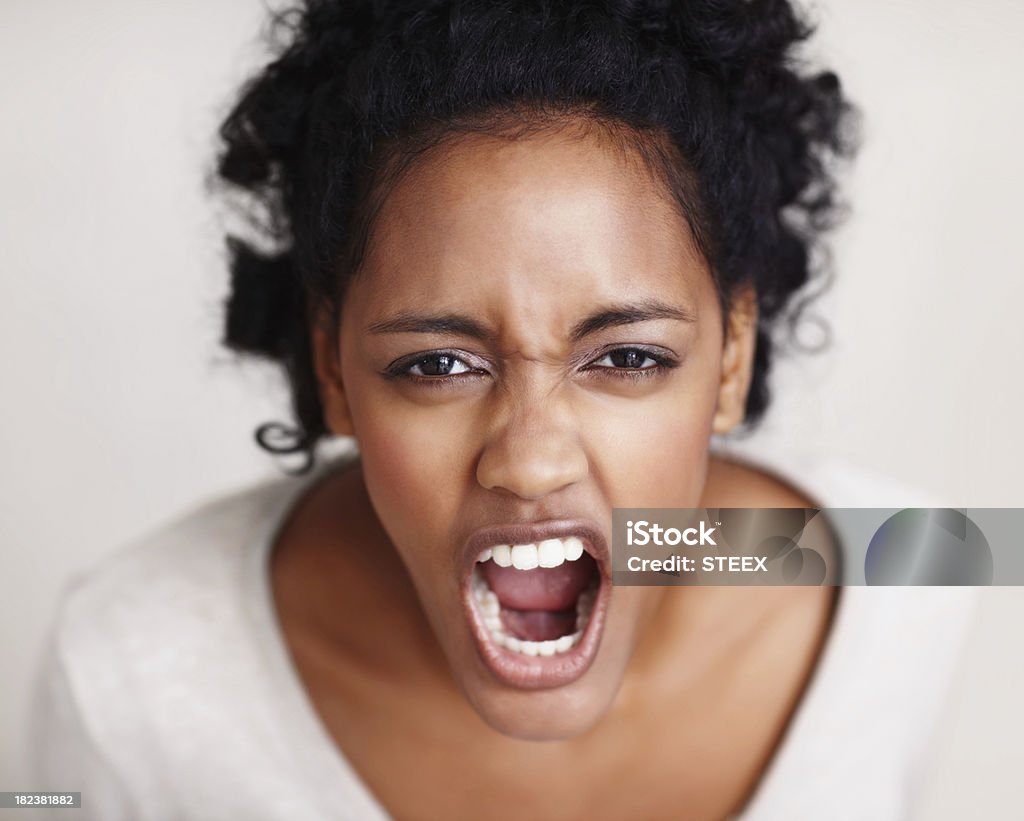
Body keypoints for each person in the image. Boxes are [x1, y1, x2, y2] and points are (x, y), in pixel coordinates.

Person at [27, 1, 979, 819]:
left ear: (730, 356)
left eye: (629, 356)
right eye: (438, 363)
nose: (529, 460)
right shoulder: (129, 667)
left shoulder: (918, 570)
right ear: (332, 368)